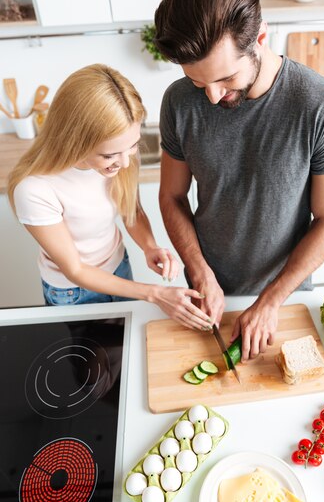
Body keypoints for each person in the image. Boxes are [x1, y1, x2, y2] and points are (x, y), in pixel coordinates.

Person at [154, 0, 324, 359]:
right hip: (209, 289)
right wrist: (199, 271)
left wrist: (270, 301)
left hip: (286, 294)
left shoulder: (322, 106)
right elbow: (172, 197)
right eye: (199, 83)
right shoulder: (178, 102)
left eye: (227, 79)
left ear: (261, 37)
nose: (211, 96)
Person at [7, 64, 212, 331]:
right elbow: (76, 270)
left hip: (119, 269)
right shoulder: (35, 188)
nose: (125, 162)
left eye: (133, 146)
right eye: (109, 155)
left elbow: (131, 210)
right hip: (73, 293)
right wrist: (154, 293)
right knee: (92, 368)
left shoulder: (119, 153)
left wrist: (149, 246)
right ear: (74, 140)